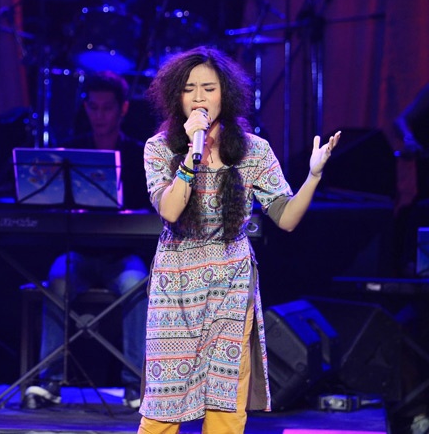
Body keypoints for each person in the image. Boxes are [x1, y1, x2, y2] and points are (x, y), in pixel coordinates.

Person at [137, 46, 340, 433]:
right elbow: (171, 210)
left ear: (225, 94)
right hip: (175, 286)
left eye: (208, 88)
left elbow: (286, 218)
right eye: (189, 89)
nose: (199, 98)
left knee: (226, 405)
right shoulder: (158, 148)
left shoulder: (254, 150)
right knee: (163, 404)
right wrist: (192, 154)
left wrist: (313, 176)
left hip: (231, 285)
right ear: (175, 96)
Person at [22, 71, 151, 410]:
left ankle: (135, 383)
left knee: (137, 284)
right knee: (57, 281)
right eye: (93, 107)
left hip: (122, 255)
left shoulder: (139, 154)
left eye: (107, 108)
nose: (99, 115)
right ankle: (49, 381)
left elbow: (151, 209)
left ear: (123, 109)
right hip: (78, 253)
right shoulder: (70, 152)